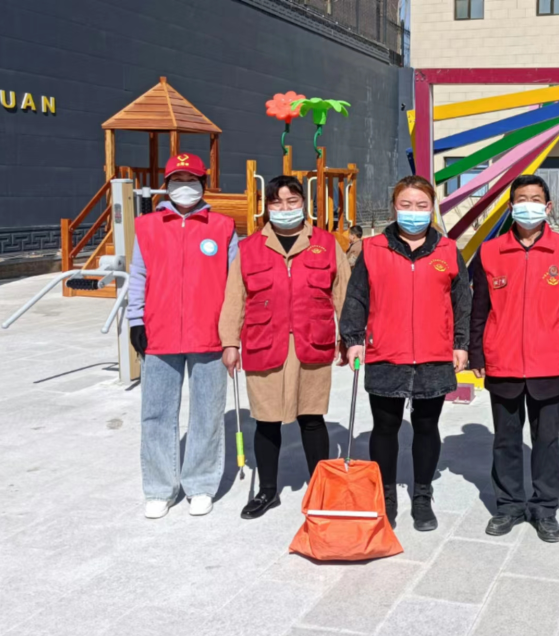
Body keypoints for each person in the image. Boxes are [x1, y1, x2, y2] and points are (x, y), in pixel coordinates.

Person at [339, 176, 471, 532]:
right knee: (386, 427)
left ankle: (422, 495)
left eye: (422, 205)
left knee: (427, 426)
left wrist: (461, 343)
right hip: (386, 352)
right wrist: (352, 338)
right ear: (394, 207)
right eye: (406, 205)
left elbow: (462, 301)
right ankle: (386, 495)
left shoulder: (448, 250)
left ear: (432, 209)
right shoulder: (373, 248)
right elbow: (356, 297)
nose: (414, 212)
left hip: (434, 354)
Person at [219, 175, 350, 519]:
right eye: (277, 202)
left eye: (292, 201)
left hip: (312, 343)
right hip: (265, 344)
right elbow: (235, 298)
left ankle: (320, 488)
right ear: (267, 206)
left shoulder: (326, 243)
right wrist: (230, 342)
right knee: (266, 421)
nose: (285, 208)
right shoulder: (249, 248)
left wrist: (351, 338)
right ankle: (267, 490)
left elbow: (344, 293)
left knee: (312, 418)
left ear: (303, 203)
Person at [469, 175, 559, 543]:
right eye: (521, 199)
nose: (528, 205)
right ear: (510, 207)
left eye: (536, 198)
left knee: (546, 441)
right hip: (502, 361)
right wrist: (476, 351)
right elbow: (478, 309)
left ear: (548, 206)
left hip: (549, 362)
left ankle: (544, 508)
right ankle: (508, 505)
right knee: (505, 440)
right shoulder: (490, 252)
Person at [126, 153, 238, 519]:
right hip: (159, 334)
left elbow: (235, 284)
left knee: (207, 414)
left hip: (209, 335)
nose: (184, 186)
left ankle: (201, 484)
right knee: (156, 414)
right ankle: (159, 488)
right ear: (167, 184)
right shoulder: (147, 225)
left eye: (192, 180)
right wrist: (136, 320)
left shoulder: (222, 226)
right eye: (178, 180)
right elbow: (138, 275)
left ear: (204, 184)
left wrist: (233, 333)